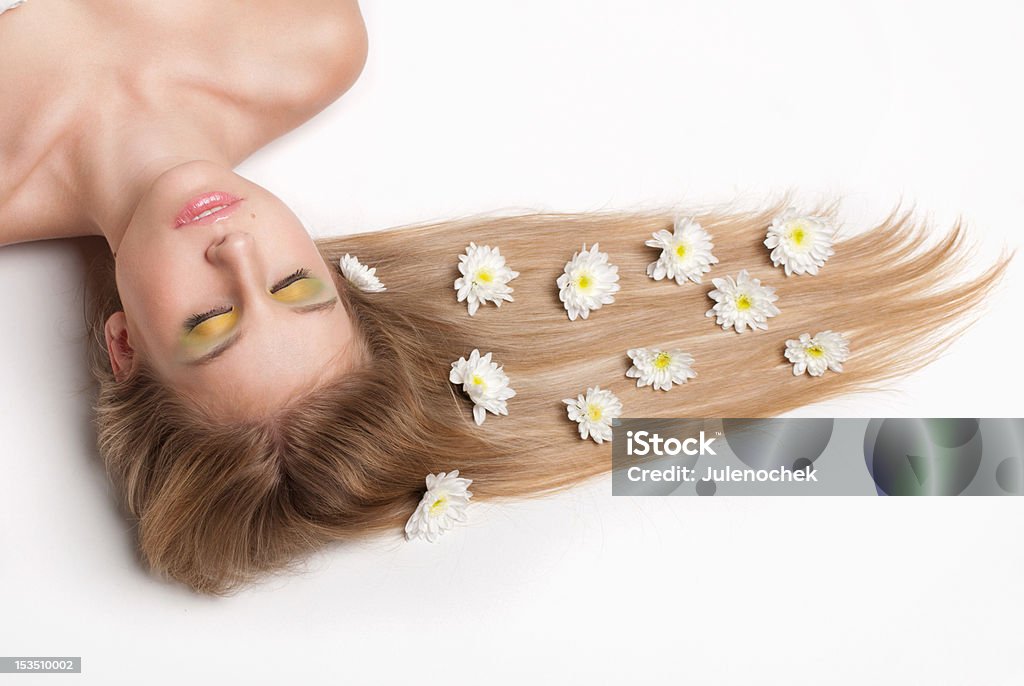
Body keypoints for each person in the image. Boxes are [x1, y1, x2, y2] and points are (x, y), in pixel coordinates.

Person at [1, 0, 1012, 595]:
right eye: (294, 286)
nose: (232, 250)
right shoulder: (307, 41)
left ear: (125, 342)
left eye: (211, 322)